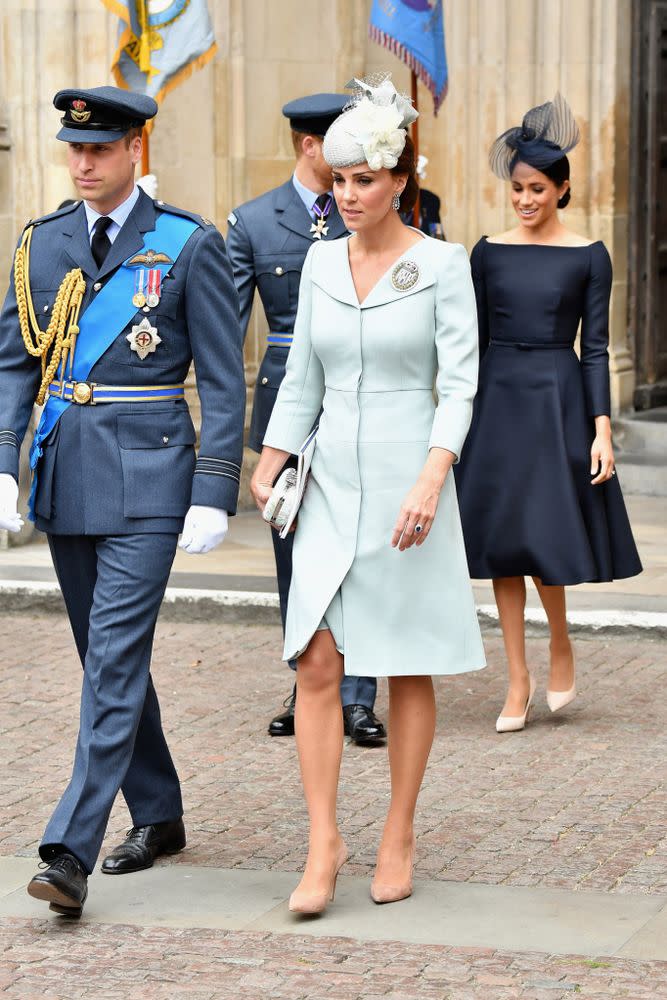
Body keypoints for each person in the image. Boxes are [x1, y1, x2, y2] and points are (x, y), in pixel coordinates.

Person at [0, 86, 245, 915]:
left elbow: (219, 376)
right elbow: (13, 365)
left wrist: (215, 488)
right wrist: (4, 466)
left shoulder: (184, 243)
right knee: (105, 658)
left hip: (150, 476)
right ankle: (162, 811)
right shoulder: (42, 241)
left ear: (135, 147)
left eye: (99, 149)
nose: (83, 164)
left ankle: (71, 848)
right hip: (67, 470)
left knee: (111, 654)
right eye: (74, 149)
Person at [251, 76, 485, 915]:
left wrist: (432, 474)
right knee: (316, 659)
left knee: (402, 660)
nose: (348, 194)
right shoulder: (317, 261)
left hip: (405, 481)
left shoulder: (439, 263)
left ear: (397, 181)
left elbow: (458, 384)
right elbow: (300, 377)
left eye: (364, 180)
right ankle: (323, 842)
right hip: (327, 485)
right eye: (338, 179)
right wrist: (271, 457)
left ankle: (397, 830)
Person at [454, 94, 642, 733]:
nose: (526, 199)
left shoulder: (590, 254)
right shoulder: (486, 250)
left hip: (558, 398)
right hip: (496, 402)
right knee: (504, 543)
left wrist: (602, 430)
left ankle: (559, 641)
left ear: (562, 189)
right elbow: (468, 343)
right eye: (517, 189)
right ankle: (517, 677)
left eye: (538, 188)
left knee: (541, 537)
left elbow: (595, 348)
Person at [226, 94, 385, 746]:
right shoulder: (254, 222)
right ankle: (308, 681)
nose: (352, 166)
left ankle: (359, 692)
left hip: (363, 397)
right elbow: (225, 331)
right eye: (336, 147)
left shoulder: (380, 214)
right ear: (307, 145)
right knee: (295, 552)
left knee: (363, 549)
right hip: (287, 399)